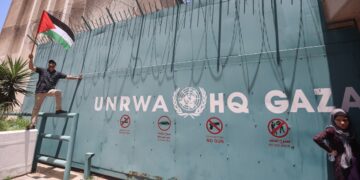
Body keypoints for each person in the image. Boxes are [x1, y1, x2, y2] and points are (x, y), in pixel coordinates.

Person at [27, 54, 82, 130]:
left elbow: (67, 76)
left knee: (58, 92)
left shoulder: (57, 74)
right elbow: (31, 67)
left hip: (49, 91)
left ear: (54, 66)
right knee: (36, 108)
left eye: (52, 66)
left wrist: (77, 77)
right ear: (48, 65)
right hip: (40, 92)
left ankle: (58, 110)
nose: (51, 67)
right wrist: (31, 59)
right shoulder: (42, 70)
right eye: (50, 65)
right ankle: (32, 124)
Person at [313, 108, 360, 180]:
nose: (342, 123)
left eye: (345, 120)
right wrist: (330, 151)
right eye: (338, 120)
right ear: (333, 120)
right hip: (341, 163)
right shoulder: (331, 130)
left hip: (353, 162)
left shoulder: (349, 132)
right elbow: (317, 138)